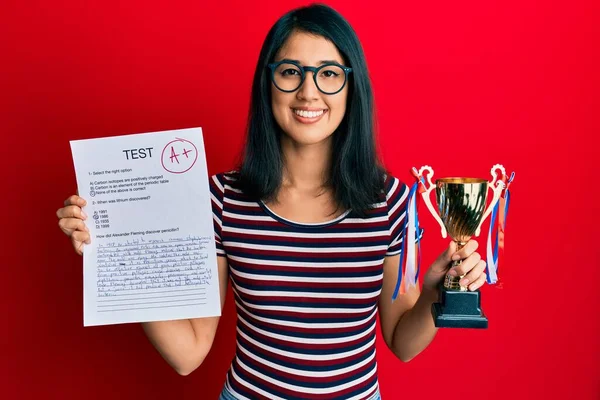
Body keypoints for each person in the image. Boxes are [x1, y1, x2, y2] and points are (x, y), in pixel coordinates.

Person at [56, 4, 487, 399]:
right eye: (290, 72)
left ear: (352, 86)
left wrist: (437, 293)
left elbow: (403, 344)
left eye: (329, 73)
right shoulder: (222, 200)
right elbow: (188, 354)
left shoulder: (391, 202)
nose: (309, 92)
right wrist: (114, 255)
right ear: (269, 82)